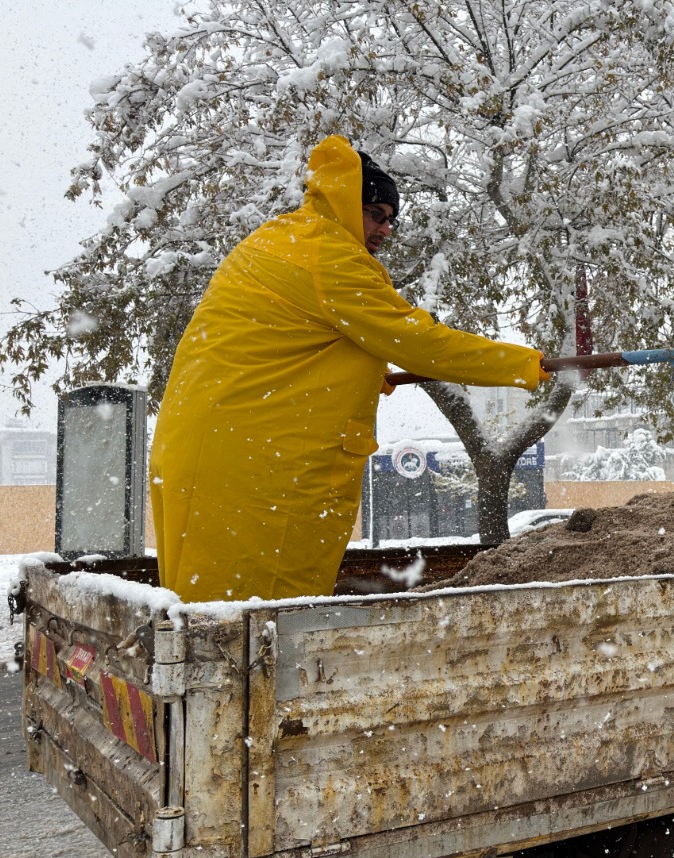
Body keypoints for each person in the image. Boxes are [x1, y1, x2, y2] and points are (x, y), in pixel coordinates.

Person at [150, 134, 550, 602]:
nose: (385, 230)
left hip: (206, 446)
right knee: (260, 615)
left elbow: (277, 343)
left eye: (391, 220)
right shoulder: (331, 257)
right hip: (258, 463)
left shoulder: (280, 237)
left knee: (207, 607)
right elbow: (421, 342)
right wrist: (525, 364)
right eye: (376, 215)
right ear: (344, 202)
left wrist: (358, 373)